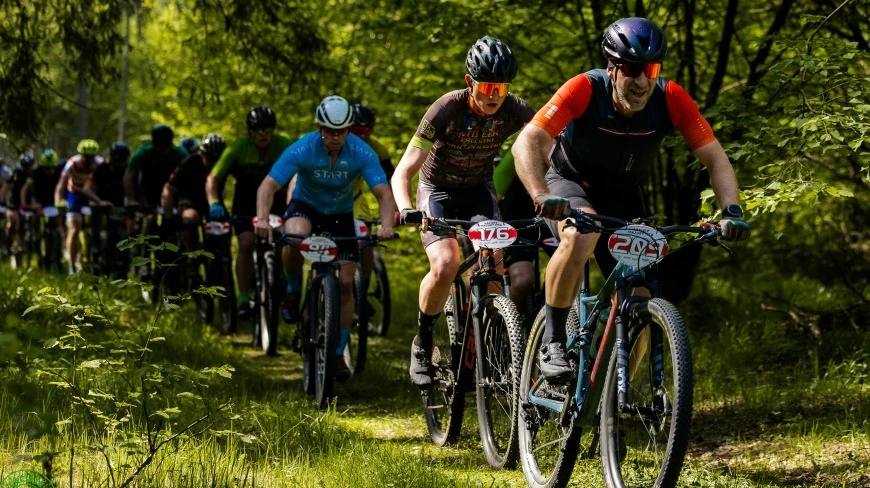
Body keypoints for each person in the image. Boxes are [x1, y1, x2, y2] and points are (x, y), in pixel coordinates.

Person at [511, 17, 751, 383]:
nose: (642, 81)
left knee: (640, 294)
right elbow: (527, 142)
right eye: (632, 69)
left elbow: (716, 158)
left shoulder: (671, 98)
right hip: (570, 184)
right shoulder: (584, 88)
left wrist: (730, 211)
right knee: (580, 235)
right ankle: (554, 341)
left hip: (624, 198)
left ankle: (612, 393)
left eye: (651, 69)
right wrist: (540, 194)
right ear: (612, 68)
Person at [391, 36, 536, 388]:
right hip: (437, 191)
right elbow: (404, 170)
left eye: (502, 87)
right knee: (445, 264)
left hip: (478, 193)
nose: (495, 95)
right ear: (470, 81)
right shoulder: (446, 108)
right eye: (487, 86)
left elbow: (549, 141)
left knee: (496, 260)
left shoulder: (515, 108)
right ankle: (423, 342)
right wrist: (407, 208)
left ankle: (490, 340)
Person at [255, 95, 396, 380]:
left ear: (348, 128)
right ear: (320, 127)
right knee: (293, 238)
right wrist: (261, 217)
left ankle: (338, 353)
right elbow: (268, 186)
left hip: (339, 215)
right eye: (330, 131)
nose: (335, 137)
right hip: (304, 206)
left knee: (346, 284)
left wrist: (386, 224)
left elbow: (383, 192)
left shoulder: (360, 152)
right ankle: (293, 292)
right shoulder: (304, 147)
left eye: (341, 131)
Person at [206, 106, 293, 321]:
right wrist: (214, 203)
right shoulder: (237, 148)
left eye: (267, 130)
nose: (263, 135)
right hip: (244, 203)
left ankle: (281, 282)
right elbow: (213, 179)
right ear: (250, 132)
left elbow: (299, 173)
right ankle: (244, 298)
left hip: (277, 202)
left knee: (284, 241)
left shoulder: (284, 145)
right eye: (258, 131)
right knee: (245, 244)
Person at [492, 150, 556, 319]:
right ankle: (511, 324)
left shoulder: (567, 152)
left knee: (570, 272)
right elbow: (493, 197)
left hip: (550, 223)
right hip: (517, 225)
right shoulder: (519, 151)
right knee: (522, 281)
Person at [350, 103, 395, 312]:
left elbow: (390, 184)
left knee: (365, 243)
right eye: (356, 131)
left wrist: (393, 215)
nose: (361, 136)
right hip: (329, 202)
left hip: (357, 201)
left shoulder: (378, 150)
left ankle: (360, 292)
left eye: (365, 131)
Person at [162, 134, 226, 253]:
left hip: (213, 202)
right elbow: (169, 188)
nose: (213, 163)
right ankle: (192, 254)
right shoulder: (189, 163)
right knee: (190, 219)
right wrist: (169, 216)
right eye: (209, 158)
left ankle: (220, 256)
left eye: (217, 159)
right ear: (202, 154)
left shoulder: (225, 165)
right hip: (189, 200)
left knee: (223, 225)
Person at [55, 139, 112, 274]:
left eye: (91, 156)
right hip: (74, 194)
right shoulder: (72, 163)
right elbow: (61, 184)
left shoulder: (100, 164)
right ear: (80, 154)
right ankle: (72, 264)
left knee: (100, 227)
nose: (88, 160)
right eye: (85, 156)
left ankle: (98, 256)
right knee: (74, 229)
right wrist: (59, 200)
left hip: (92, 194)